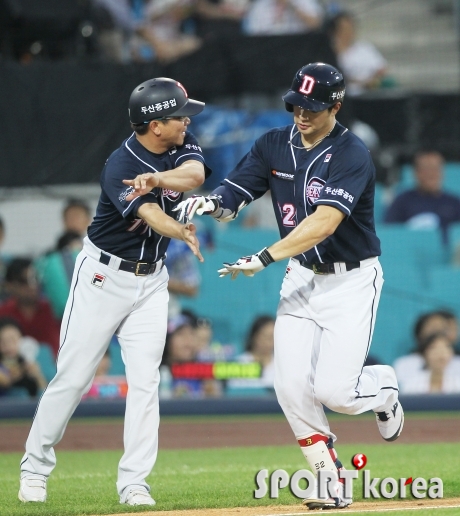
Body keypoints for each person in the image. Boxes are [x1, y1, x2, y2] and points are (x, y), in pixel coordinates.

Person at [155, 62, 403, 509]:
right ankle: (331, 479)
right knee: (288, 386)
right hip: (303, 276)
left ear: (336, 106)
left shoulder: (351, 153)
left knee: (337, 394)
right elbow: (236, 191)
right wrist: (211, 203)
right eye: (295, 105)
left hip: (351, 281)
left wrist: (266, 256)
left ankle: (383, 387)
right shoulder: (274, 143)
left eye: (311, 106)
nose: (301, 114)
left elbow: (325, 222)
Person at [18, 77, 209, 506]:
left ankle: (133, 482)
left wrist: (158, 178)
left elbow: (194, 175)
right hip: (103, 278)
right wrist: (179, 229)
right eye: (179, 115)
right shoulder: (120, 165)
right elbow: (150, 216)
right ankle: (34, 466)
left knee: (146, 381)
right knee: (73, 377)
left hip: (152, 281)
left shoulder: (180, 145)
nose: (186, 121)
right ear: (155, 125)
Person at [384, 150, 460, 243]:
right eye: (426, 169)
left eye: (435, 168)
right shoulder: (402, 202)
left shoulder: (454, 203)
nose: (431, 174)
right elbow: (390, 234)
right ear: (416, 173)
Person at [0, 259, 61, 357]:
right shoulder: (3, 313)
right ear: (9, 285)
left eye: (35, 279)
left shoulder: (55, 309)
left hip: (57, 369)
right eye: (23, 281)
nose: (32, 286)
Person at [326, 11, 390, 97]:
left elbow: (382, 69)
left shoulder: (365, 48)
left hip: (368, 94)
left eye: (351, 28)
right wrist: (359, 83)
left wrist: (373, 81)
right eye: (345, 29)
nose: (349, 32)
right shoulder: (330, 52)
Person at [394, 310, 460, 382]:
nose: (437, 332)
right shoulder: (404, 364)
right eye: (433, 327)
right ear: (420, 332)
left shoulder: (457, 362)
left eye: (442, 328)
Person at [227, 315, 275, 394]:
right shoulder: (240, 363)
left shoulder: (282, 366)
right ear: (254, 336)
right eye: (264, 336)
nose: (268, 342)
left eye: (271, 337)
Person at [0, 318, 47, 398]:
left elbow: (46, 393)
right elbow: (5, 382)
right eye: (2, 341)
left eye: (12, 339)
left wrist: (37, 376)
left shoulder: (33, 359)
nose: (8, 345)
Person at [243, 0, 323, 35]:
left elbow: (316, 24)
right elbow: (252, 34)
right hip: (269, 50)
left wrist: (291, 6)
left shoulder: (304, 1)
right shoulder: (259, 6)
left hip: (299, 48)